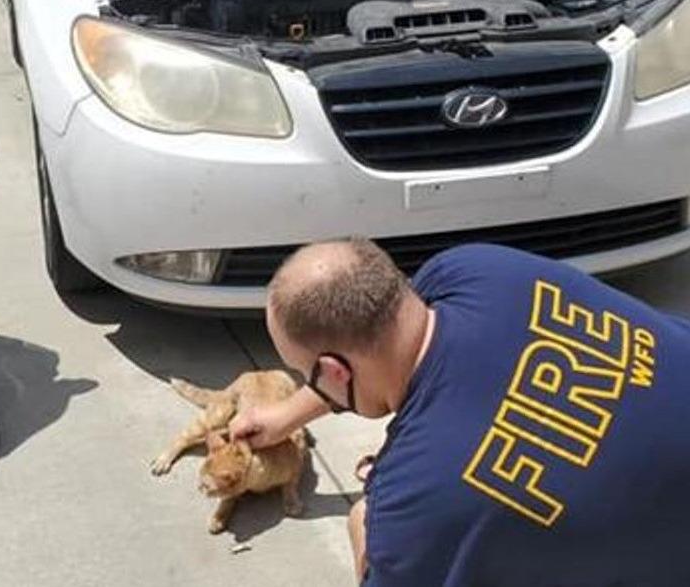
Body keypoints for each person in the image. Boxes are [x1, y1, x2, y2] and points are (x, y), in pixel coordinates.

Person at [229, 238, 690, 586]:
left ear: (334, 370)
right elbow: (377, 338)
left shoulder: (414, 506)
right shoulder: (475, 267)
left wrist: (369, 517)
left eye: (306, 374)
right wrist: (286, 416)